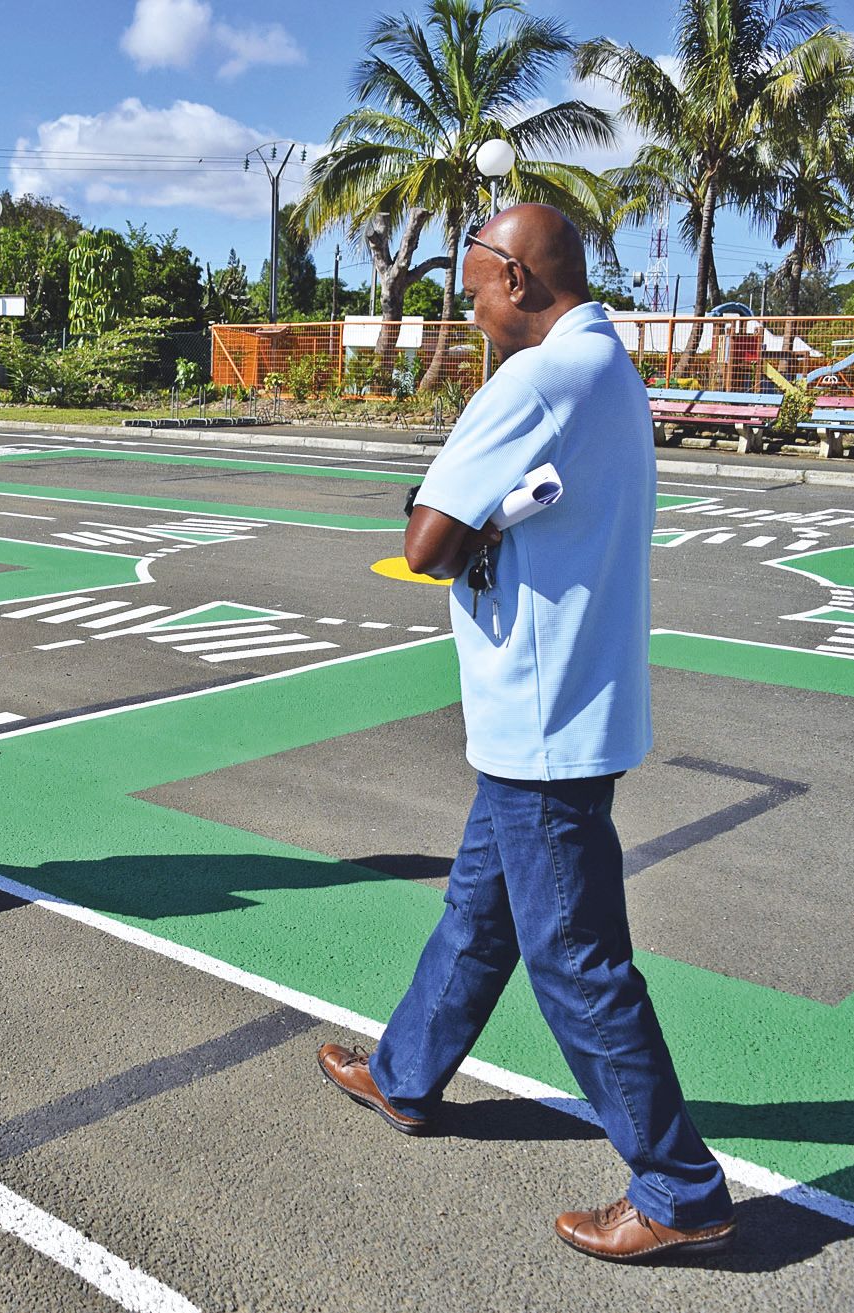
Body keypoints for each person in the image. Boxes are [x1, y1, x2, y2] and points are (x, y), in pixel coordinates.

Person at [315, 204, 735, 1263]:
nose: (468, 308)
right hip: (561, 706)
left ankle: (679, 1186)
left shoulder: (536, 377)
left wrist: (453, 505)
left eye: (474, 289)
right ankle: (406, 1073)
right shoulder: (606, 361)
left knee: (577, 958)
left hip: (542, 721)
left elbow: (424, 542)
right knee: (480, 910)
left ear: (515, 275)